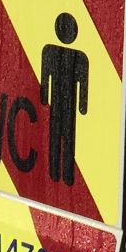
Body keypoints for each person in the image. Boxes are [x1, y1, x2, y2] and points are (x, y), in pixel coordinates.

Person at [40, 12, 89, 186]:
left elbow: (83, 85)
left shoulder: (51, 51)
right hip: (65, 104)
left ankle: (61, 173)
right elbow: (45, 79)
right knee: (63, 137)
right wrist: (82, 106)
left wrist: (45, 98)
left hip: (65, 104)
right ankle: (61, 173)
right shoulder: (54, 52)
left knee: (64, 138)